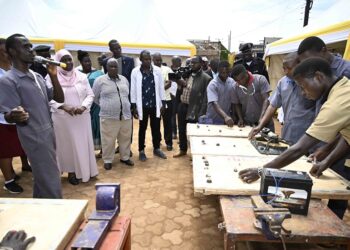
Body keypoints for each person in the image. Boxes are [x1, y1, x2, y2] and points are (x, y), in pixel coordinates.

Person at [239, 57, 350, 219]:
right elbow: (347, 136)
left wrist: (261, 171)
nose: (304, 93)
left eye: (303, 87)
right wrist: (327, 159)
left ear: (319, 77)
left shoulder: (336, 103)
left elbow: (299, 149)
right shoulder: (343, 86)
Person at [0, 34, 63, 198]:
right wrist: (14, 115)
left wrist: (54, 76)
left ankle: (41, 211)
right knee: (51, 181)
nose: (31, 50)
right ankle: (59, 218)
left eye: (30, 46)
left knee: (43, 180)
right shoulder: (8, 80)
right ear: (13, 52)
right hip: (34, 136)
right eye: (26, 47)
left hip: (48, 133)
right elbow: (7, 115)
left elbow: (59, 98)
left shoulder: (36, 76)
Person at [48, 49, 98, 185]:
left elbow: (90, 95)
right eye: (64, 60)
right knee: (67, 146)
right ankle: (71, 171)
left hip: (81, 117)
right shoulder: (51, 77)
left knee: (82, 144)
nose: (68, 62)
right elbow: (48, 99)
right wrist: (64, 107)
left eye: (69, 59)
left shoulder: (81, 76)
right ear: (58, 62)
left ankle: (87, 170)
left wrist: (83, 107)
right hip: (62, 119)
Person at [248, 52, 316, 145]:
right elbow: (272, 106)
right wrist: (260, 126)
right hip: (288, 133)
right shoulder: (282, 82)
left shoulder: (312, 83)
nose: (286, 71)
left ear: (300, 65)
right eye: (284, 68)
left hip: (308, 136)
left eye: (289, 68)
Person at [0, 38, 30, 194]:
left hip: (22, 116)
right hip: (3, 119)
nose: (7, 54)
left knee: (21, 145)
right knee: (5, 151)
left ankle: (25, 165)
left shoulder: (15, 69)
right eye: (4, 51)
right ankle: (9, 181)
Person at [93, 58, 134, 170]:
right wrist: (107, 106)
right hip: (108, 116)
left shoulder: (124, 79)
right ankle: (107, 159)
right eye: (110, 66)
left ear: (118, 68)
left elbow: (127, 95)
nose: (113, 68)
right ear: (106, 67)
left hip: (125, 115)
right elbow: (95, 98)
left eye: (115, 66)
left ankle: (125, 157)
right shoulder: (100, 80)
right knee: (108, 140)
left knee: (125, 138)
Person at [130, 50, 167, 161]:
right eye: (145, 59)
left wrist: (163, 103)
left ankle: (156, 148)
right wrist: (134, 106)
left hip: (155, 104)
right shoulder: (135, 72)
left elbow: (161, 87)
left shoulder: (157, 71)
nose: (148, 61)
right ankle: (141, 150)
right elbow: (133, 89)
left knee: (156, 128)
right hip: (142, 105)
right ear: (141, 60)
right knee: (142, 128)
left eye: (149, 59)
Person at [174, 56, 212, 158]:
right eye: (191, 63)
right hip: (183, 106)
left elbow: (206, 98)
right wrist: (179, 82)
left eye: (194, 63)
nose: (192, 65)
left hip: (194, 109)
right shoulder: (186, 74)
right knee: (181, 130)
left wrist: (202, 112)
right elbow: (179, 89)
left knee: (193, 133)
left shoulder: (206, 78)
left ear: (201, 63)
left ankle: (194, 154)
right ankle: (183, 150)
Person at [77, 50, 104, 157]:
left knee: (98, 125)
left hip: (97, 104)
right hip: (83, 104)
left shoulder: (98, 73)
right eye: (85, 61)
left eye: (89, 61)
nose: (88, 63)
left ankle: (102, 150)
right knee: (87, 128)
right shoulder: (76, 73)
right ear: (81, 62)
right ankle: (88, 151)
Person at [231, 64, 274, 130]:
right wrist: (240, 119)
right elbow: (237, 104)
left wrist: (262, 118)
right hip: (248, 124)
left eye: (242, 78)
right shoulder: (235, 87)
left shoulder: (260, 80)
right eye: (237, 80)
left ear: (246, 73)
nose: (241, 81)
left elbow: (266, 99)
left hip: (266, 123)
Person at [152, 52, 174, 151]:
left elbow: (169, 84)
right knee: (155, 123)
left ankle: (169, 142)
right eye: (157, 60)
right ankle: (157, 141)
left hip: (167, 100)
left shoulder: (167, 69)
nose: (159, 62)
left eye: (160, 60)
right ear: (153, 60)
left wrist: (157, 90)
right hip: (154, 101)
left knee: (167, 122)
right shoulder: (150, 70)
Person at [206, 60, 236, 126]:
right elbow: (214, 103)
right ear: (218, 71)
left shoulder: (232, 82)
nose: (225, 74)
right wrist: (225, 116)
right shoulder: (213, 84)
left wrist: (233, 115)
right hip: (212, 119)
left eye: (227, 72)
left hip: (226, 121)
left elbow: (234, 101)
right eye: (223, 72)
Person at [170, 56, 182, 140]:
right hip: (172, 96)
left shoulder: (182, 71)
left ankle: (179, 133)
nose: (181, 63)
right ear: (174, 62)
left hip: (181, 95)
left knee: (181, 115)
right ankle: (174, 132)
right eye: (179, 61)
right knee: (173, 115)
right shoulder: (169, 71)